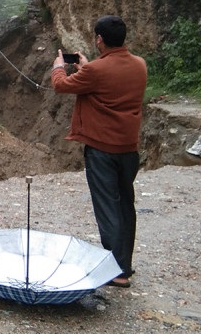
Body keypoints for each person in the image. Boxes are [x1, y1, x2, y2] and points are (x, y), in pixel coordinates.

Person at [51, 15, 147, 288]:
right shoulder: (140, 65)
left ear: (99, 39)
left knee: (107, 207)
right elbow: (109, 79)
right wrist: (88, 66)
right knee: (125, 205)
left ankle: (116, 271)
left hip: (102, 150)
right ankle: (124, 264)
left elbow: (61, 85)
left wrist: (59, 66)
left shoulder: (95, 72)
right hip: (128, 149)